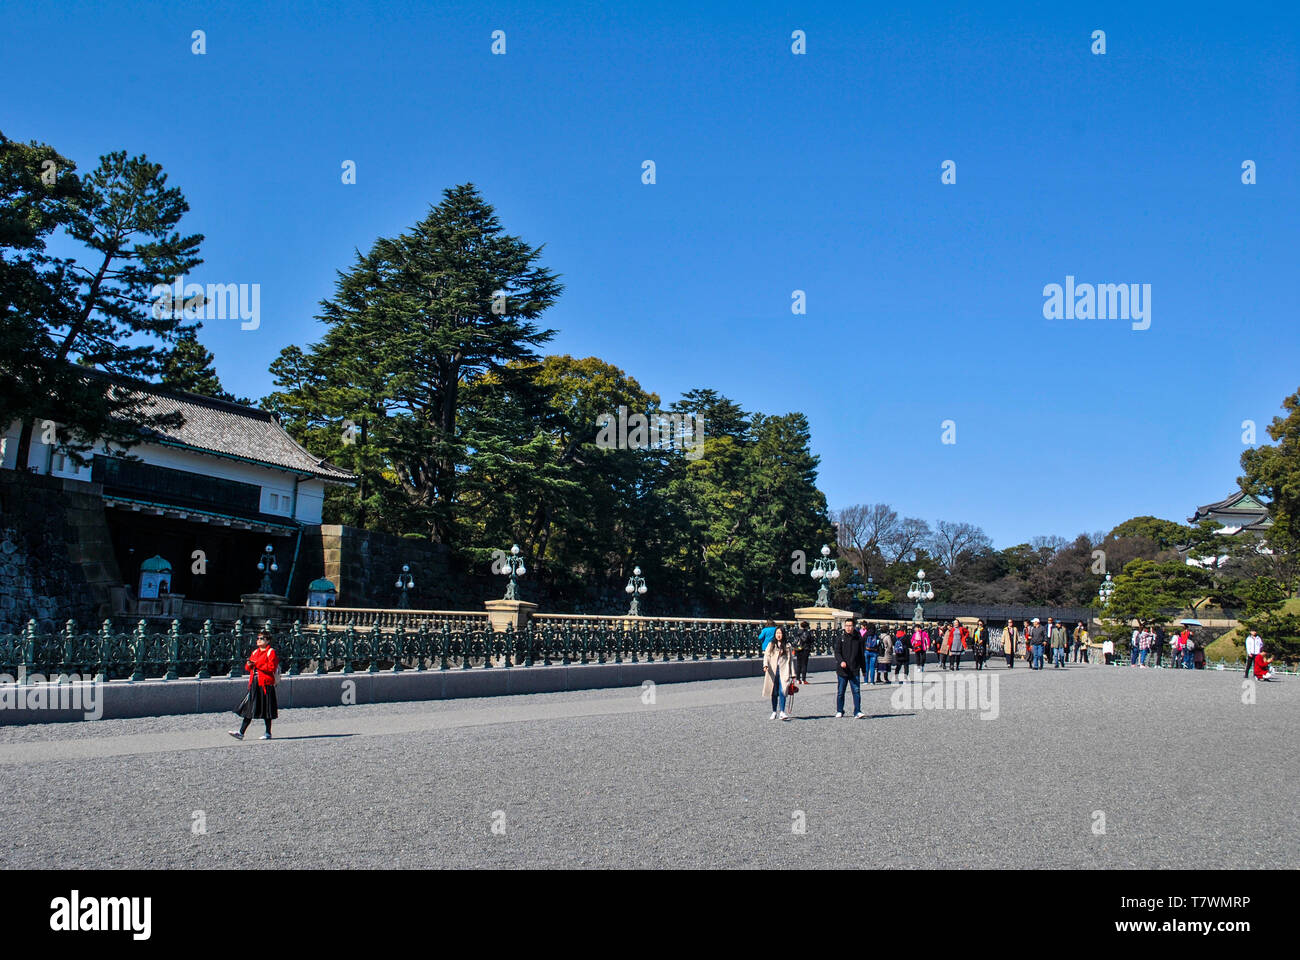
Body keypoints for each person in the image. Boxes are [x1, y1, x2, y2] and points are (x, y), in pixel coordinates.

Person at [229, 630, 279, 740]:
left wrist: (257, 664)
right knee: (250, 707)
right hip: (255, 682)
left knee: (266, 708)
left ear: (268, 640)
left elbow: (271, 667)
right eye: (258, 638)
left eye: (262, 639)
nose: (259, 640)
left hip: (265, 683)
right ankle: (241, 732)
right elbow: (249, 668)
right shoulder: (255, 652)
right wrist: (249, 665)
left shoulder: (271, 652)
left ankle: (268, 732)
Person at [833, 618, 865, 718]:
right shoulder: (840, 638)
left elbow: (861, 655)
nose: (848, 628)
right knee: (841, 692)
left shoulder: (858, 639)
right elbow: (837, 652)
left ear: (854, 626)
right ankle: (839, 710)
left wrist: (864, 670)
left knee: (856, 691)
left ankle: (857, 711)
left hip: (854, 669)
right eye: (846, 626)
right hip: (842, 670)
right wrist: (841, 661)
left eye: (850, 626)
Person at [763, 626, 795, 720]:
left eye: (780, 633)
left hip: (784, 671)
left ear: (783, 634)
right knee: (774, 692)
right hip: (773, 671)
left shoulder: (787, 645)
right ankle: (774, 711)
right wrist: (765, 665)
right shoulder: (771, 644)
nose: (778, 635)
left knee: (783, 691)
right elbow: (767, 656)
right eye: (777, 633)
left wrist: (793, 674)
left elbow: (791, 661)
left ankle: (782, 711)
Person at [792, 620, 813, 684]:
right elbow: (811, 640)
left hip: (798, 649)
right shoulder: (808, 633)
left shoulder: (797, 632)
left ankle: (798, 679)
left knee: (798, 664)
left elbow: (795, 640)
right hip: (805, 649)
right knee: (804, 664)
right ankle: (804, 679)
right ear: (807, 626)